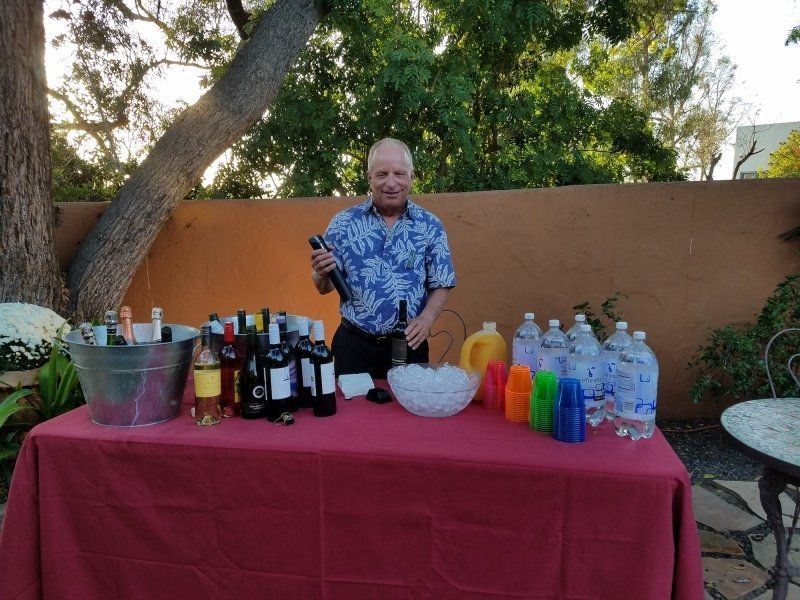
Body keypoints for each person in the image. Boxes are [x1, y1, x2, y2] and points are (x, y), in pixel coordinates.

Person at [311, 138, 456, 379]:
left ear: (411, 176)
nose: (391, 182)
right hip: (354, 346)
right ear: (369, 177)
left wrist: (426, 319)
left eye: (399, 173)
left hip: (409, 344)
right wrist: (320, 272)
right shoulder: (344, 223)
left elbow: (441, 282)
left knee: (408, 404)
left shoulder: (430, 225)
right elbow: (323, 287)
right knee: (352, 404)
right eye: (382, 174)